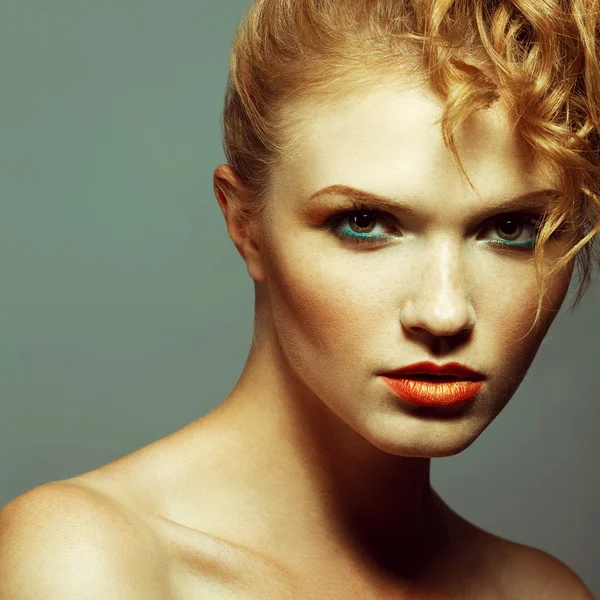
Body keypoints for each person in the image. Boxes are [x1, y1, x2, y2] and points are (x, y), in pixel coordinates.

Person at [1, 0, 598, 598]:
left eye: (512, 230)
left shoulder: (544, 592)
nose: (443, 313)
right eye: (363, 222)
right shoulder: (88, 561)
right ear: (245, 223)